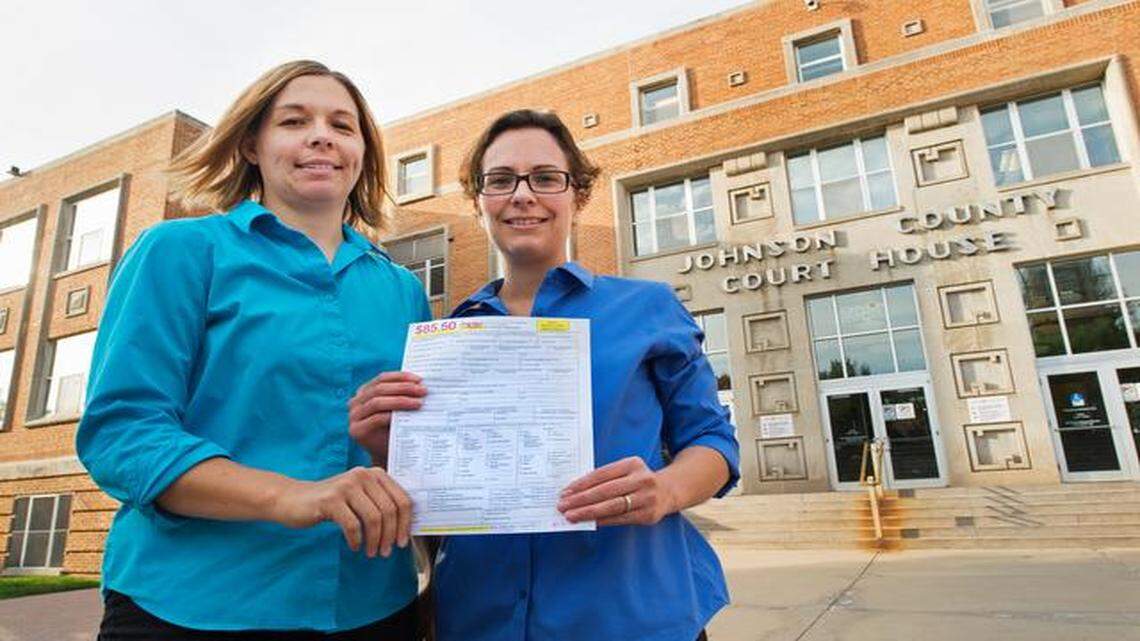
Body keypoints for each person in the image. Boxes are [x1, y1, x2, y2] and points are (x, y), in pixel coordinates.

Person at [349, 109, 740, 641]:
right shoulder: (444, 339)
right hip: (478, 619)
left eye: (546, 178)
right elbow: (438, 507)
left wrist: (667, 490)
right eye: (501, 180)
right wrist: (385, 449)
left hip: (632, 616)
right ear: (479, 201)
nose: (522, 194)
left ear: (576, 196)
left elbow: (713, 442)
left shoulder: (647, 308)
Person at [77, 60, 429, 640]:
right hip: (193, 605)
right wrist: (293, 496)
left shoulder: (402, 290)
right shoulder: (180, 250)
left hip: (372, 608)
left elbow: (419, 448)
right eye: (295, 121)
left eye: (343, 126)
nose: (322, 135)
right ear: (250, 145)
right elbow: (124, 435)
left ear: (362, 152)